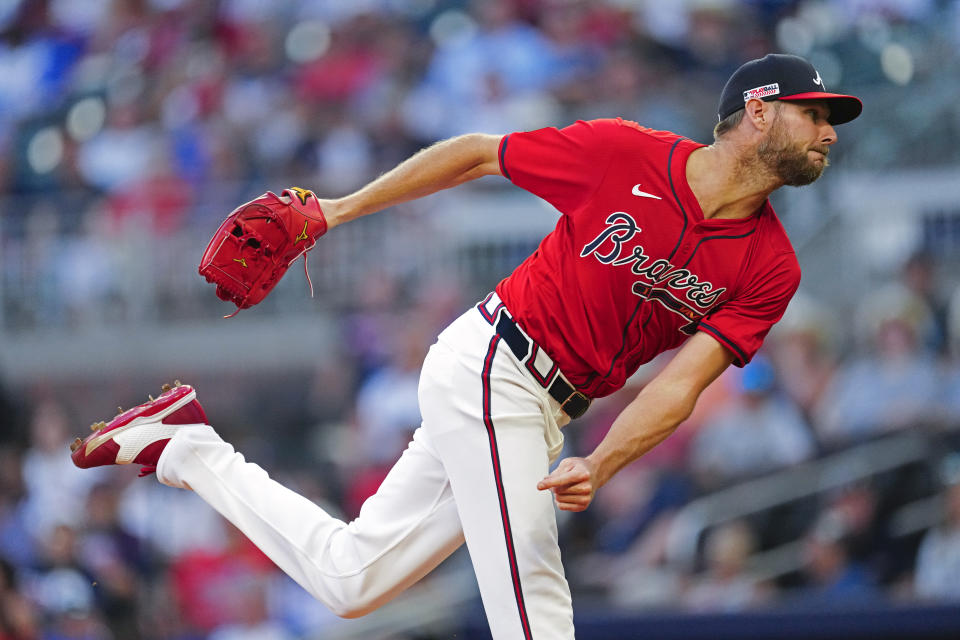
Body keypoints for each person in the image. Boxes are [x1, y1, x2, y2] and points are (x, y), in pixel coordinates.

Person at [70, 54, 862, 638]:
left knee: (351, 581)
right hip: (495, 363)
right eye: (815, 113)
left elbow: (682, 384)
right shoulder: (628, 153)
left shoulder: (771, 264)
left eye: (831, 121)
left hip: (545, 411)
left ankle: (185, 446)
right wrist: (338, 211)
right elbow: (481, 151)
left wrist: (607, 460)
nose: (828, 132)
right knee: (534, 600)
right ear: (759, 110)